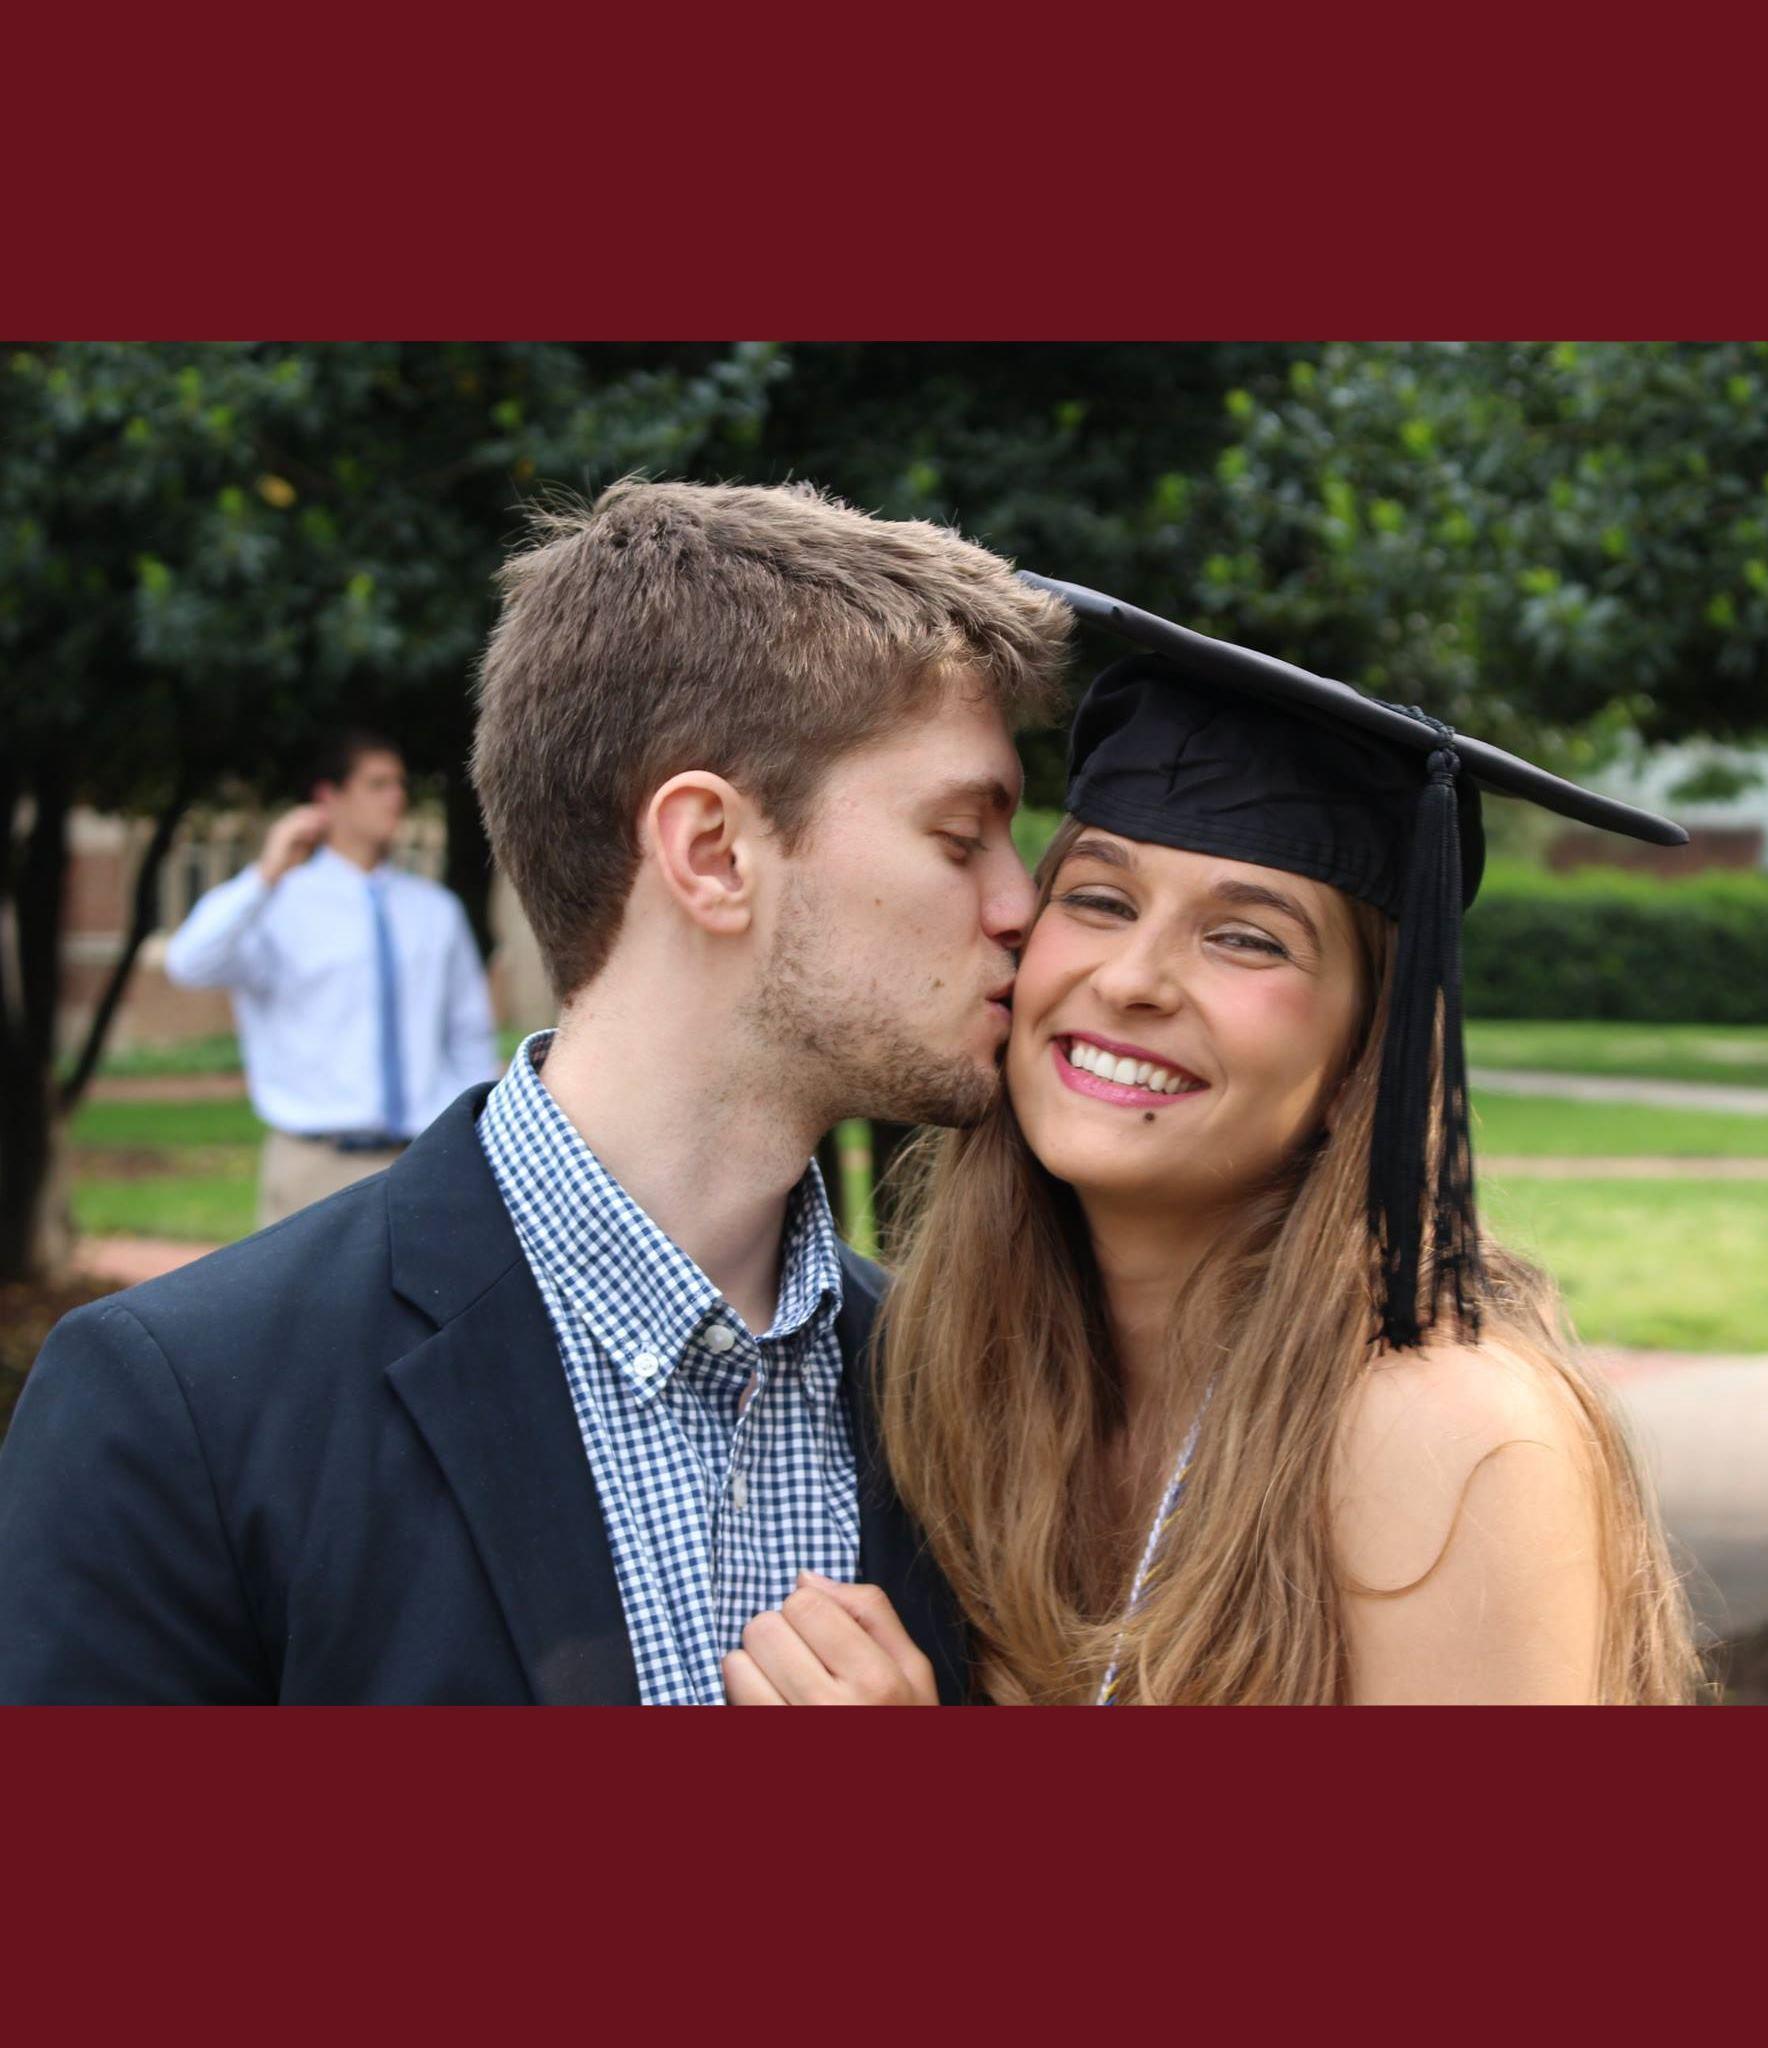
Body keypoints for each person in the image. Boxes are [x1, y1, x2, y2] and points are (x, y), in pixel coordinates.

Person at [0, 480, 1069, 1704]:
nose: (1017, 904)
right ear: (712, 852)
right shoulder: (182, 1409)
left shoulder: (963, 1398)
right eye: (960, 834)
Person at [727, 578, 1702, 1707]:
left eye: (1244, 938)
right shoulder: (956, 1379)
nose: (1132, 979)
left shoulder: (1440, 1432)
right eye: (1095, 899)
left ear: (1362, 1060)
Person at [162, 731, 500, 1226]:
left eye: (400, 784)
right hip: (314, 1167)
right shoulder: (278, 905)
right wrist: (267, 872)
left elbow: (469, 1033)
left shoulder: (435, 912)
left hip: (422, 1163)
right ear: (328, 798)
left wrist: (467, 1137)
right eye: (377, 784)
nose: (397, 798)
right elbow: (189, 963)